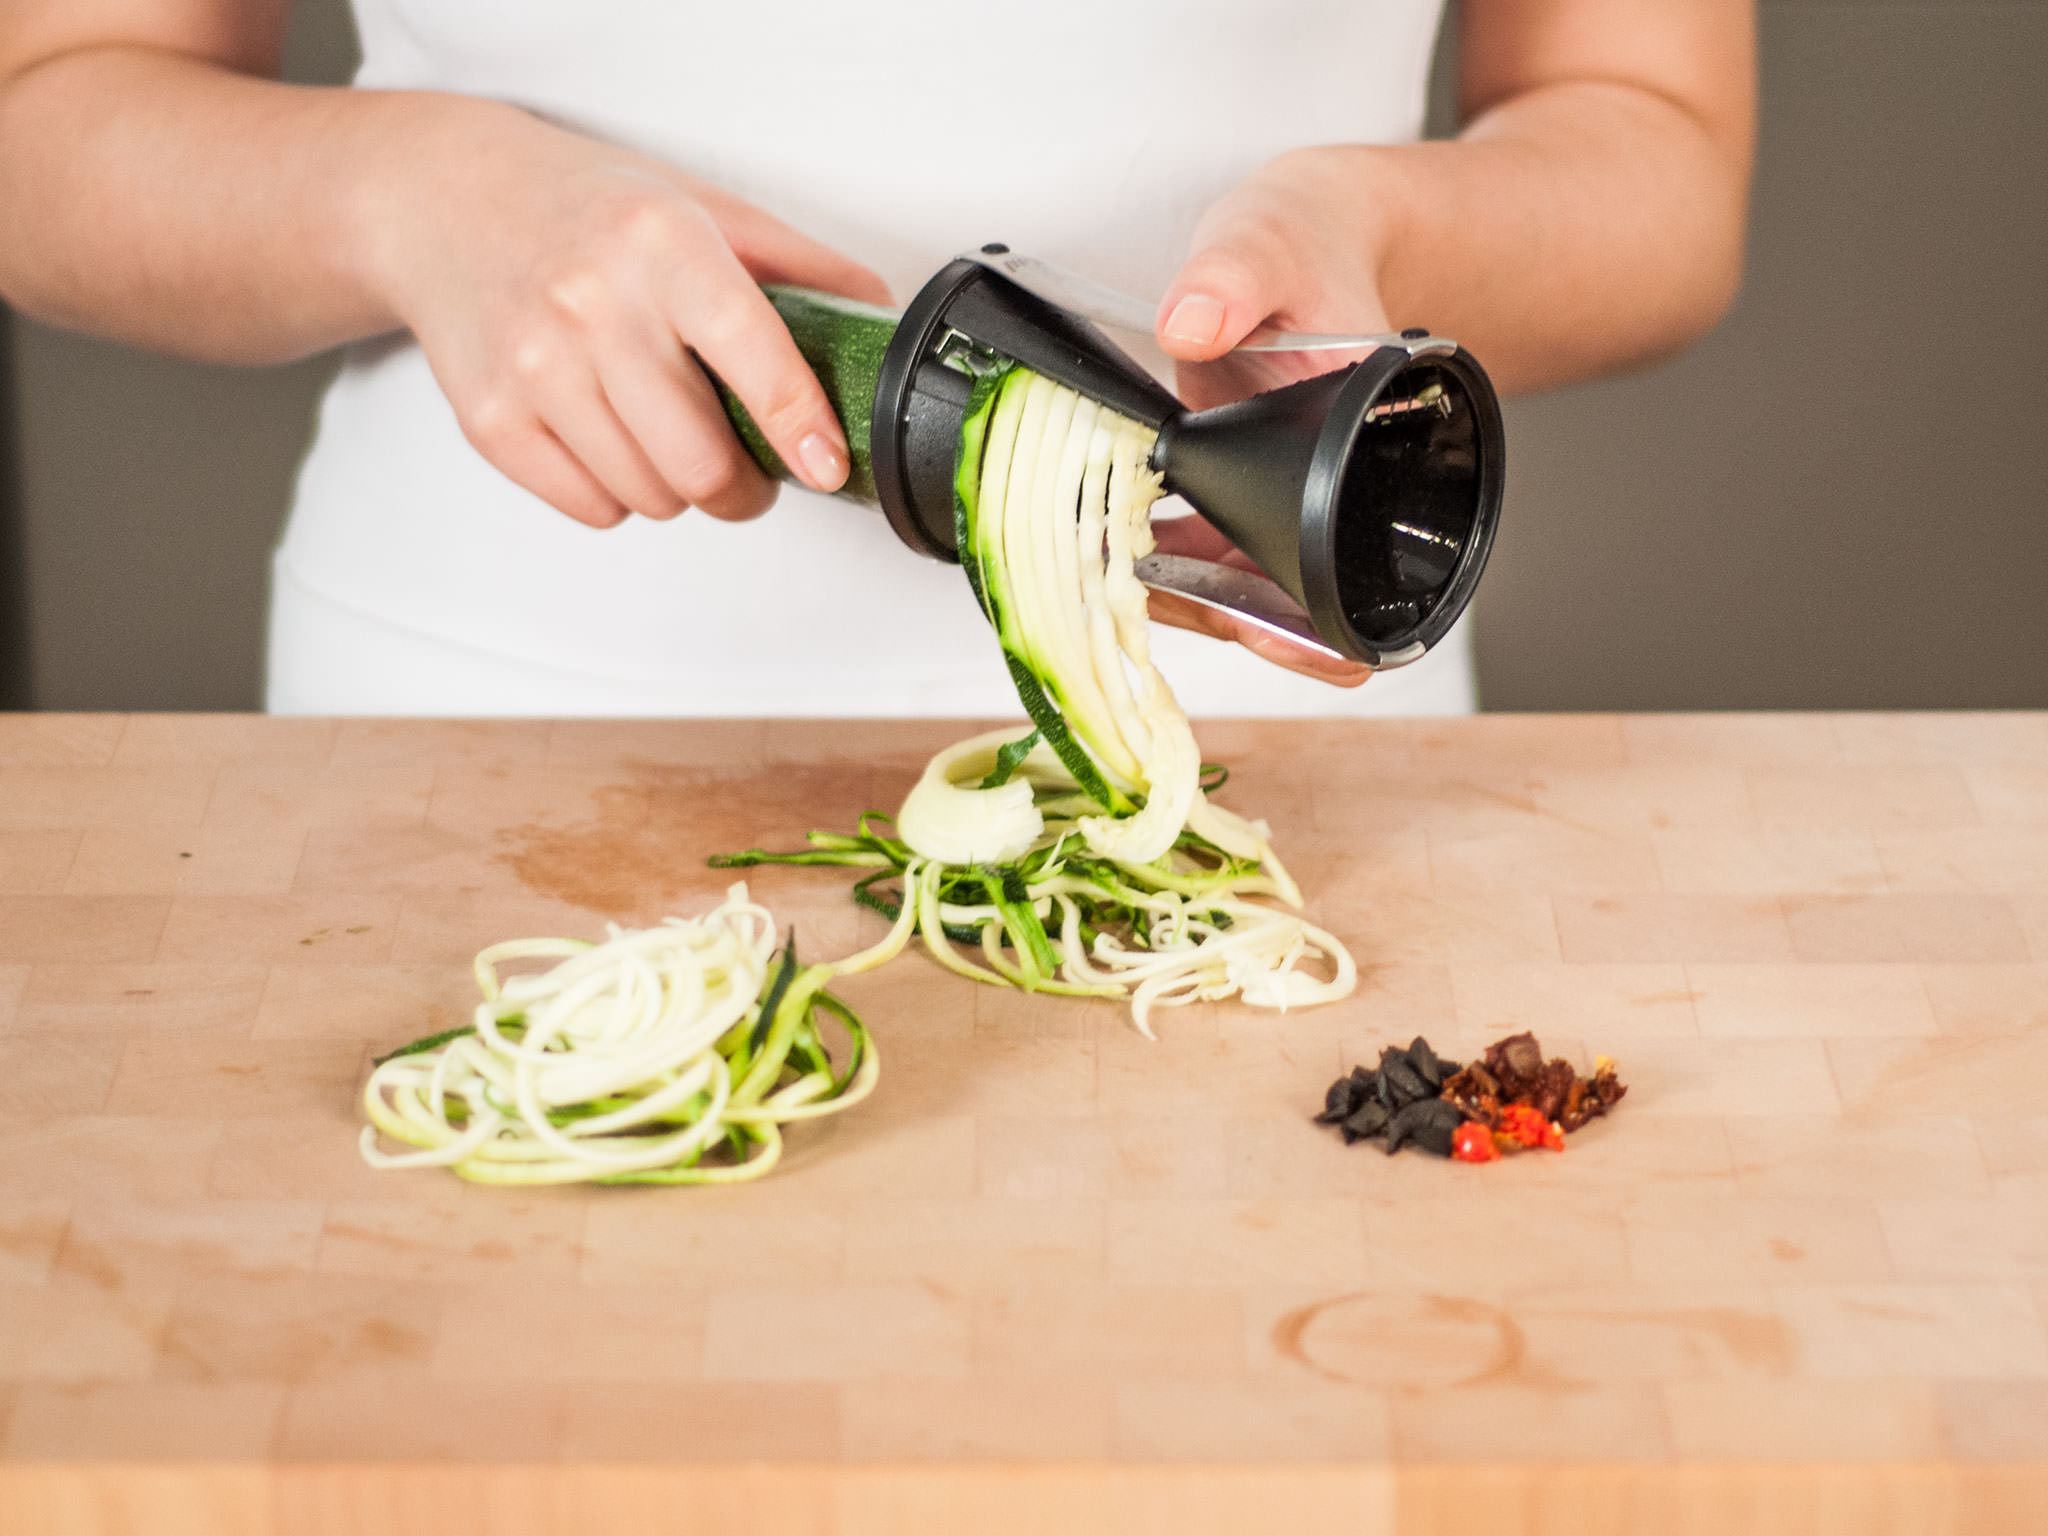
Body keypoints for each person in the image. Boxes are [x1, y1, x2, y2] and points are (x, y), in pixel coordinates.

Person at [0, 1, 1753, 718]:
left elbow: (1652, 143)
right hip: (486, 728)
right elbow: (50, 114)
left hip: (1271, 735)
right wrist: (409, 192)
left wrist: (1384, 234)